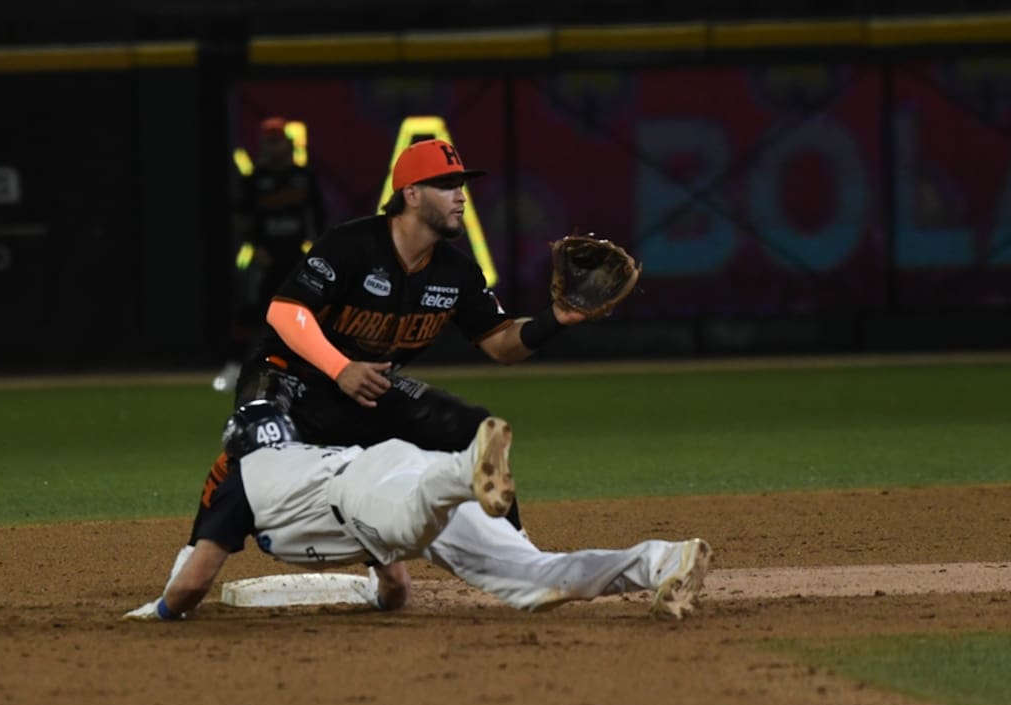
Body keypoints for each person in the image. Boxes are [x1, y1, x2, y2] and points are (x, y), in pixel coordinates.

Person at [225, 138, 597, 529]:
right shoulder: (352, 244)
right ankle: (201, 555)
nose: (460, 196)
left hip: (366, 390)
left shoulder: (457, 273)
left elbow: (502, 344)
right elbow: (284, 312)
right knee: (255, 453)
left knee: (474, 431)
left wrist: (557, 316)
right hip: (287, 374)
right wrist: (341, 368)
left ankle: (516, 552)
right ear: (412, 194)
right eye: (447, 185)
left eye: (462, 185)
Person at [123, 401, 712, 622]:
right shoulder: (297, 465)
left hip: (376, 491)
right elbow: (398, 586)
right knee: (533, 582)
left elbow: (193, 582)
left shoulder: (242, 477)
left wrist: (160, 612)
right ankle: (664, 562)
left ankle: (467, 465)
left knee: (407, 518)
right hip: (396, 480)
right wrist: (371, 598)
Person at [216, 116, 328, 393]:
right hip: (265, 256)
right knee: (250, 311)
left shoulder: (303, 177)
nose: (274, 147)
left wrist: (316, 248)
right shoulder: (255, 180)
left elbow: (318, 215)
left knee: (308, 311)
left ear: (288, 144)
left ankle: (313, 368)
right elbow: (241, 219)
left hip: (295, 255)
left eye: (278, 141)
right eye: (269, 141)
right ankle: (233, 368)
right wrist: (255, 246)